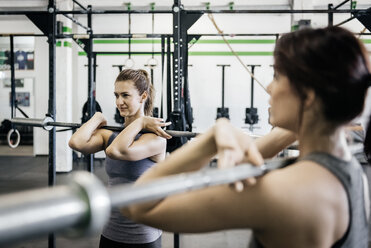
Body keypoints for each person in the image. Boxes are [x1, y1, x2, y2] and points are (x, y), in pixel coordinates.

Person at [124, 27, 371, 247]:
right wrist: (302, 123)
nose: (268, 87)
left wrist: (210, 139)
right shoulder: (352, 173)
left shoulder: (278, 192)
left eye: (276, 76)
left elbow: (138, 206)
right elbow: (246, 161)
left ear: (308, 97)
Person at [69, 69, 171, 248]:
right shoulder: (111, 134)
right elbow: (75, 142)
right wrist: (97, 117)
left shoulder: (155, 138)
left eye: (125, 95)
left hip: (142, 234)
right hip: (111, 230)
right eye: (116, 95)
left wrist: (140, 122)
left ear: (143, 96)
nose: (119, 102)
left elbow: (116, 151)